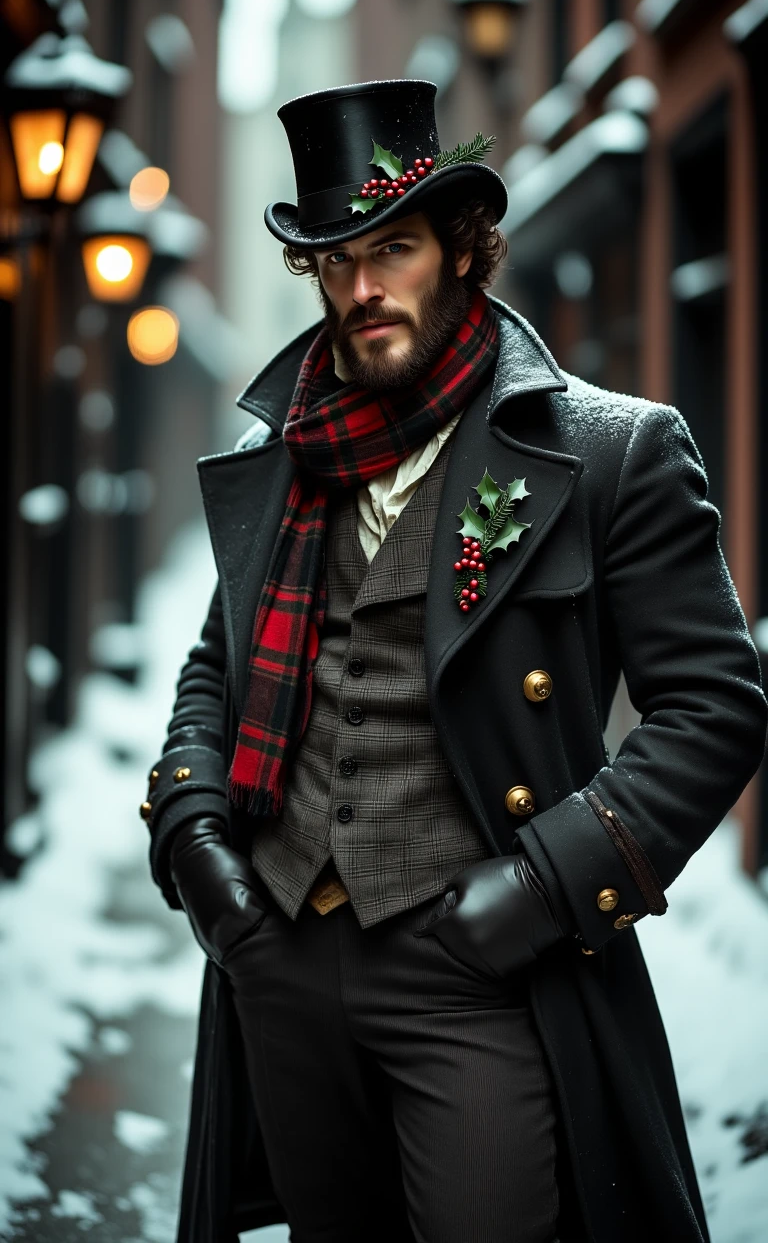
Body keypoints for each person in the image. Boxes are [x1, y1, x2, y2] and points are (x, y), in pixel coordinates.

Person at [142, 79, 767, 1243]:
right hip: (275, 955)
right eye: (337, 260)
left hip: (478, 970)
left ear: (463, 252)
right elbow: (213, 667)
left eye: (395, 248)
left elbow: (717, 707)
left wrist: (538, 889)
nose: (364, 287)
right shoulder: (278, 455)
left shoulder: (610, 451)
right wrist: (194, 841)